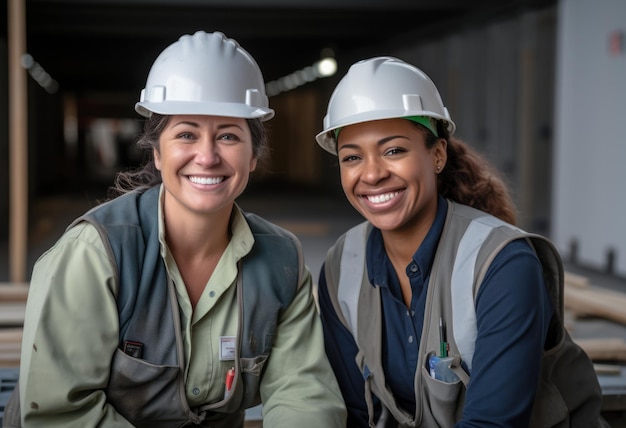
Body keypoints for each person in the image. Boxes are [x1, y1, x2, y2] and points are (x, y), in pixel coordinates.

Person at [3, 30, 346, 428]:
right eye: (186, 134)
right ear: (157, 152)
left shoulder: (281, 260)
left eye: (229, 136)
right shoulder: (96, 254)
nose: (207, 155)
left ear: (253, 156)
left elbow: (303, 395)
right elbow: (61, 412)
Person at [314, 56, 607, 427]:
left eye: (394, 151)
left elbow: (493, 423)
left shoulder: (503, 263)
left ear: (437, 155)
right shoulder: (343, 266)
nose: (371, 174)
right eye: (352, 157)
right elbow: (356, 413)